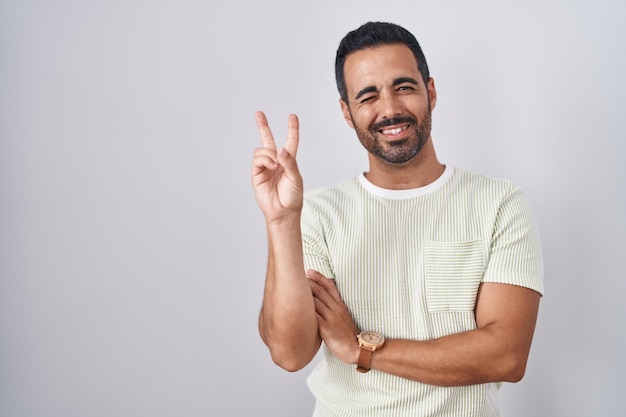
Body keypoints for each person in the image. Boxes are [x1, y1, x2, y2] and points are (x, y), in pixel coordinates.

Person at [251, 21, 543, 417]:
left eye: (404, 87)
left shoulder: (499, 204)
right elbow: (289, 353)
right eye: (368, 95)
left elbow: (506, 355)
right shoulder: (318, 214)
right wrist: (282, 223)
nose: (389, 110)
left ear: (431, 92)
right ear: (346, 111)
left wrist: (362, 349)